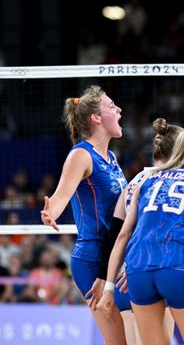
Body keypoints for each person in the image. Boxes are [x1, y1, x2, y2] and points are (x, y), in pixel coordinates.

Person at [96, 129, 184, 345]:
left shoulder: (147, 180)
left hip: (138, 269)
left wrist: (109, 288)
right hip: (177, 264)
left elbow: (123, 235)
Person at [40, 85, 127, 344]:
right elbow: (60, 196)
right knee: (119, 341)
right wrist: (50, 212)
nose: (119, 109)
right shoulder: (81, 154)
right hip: (93, 257)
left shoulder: (110, 156)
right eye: (112, 106)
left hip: (117, 255)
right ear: (96, 118)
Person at [86, 118, 181, 344]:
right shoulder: (169, 183)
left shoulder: (134, 182)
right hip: (151, 272)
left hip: (121, 279)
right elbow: (155, 231)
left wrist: (107, 279)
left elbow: (116, 234)